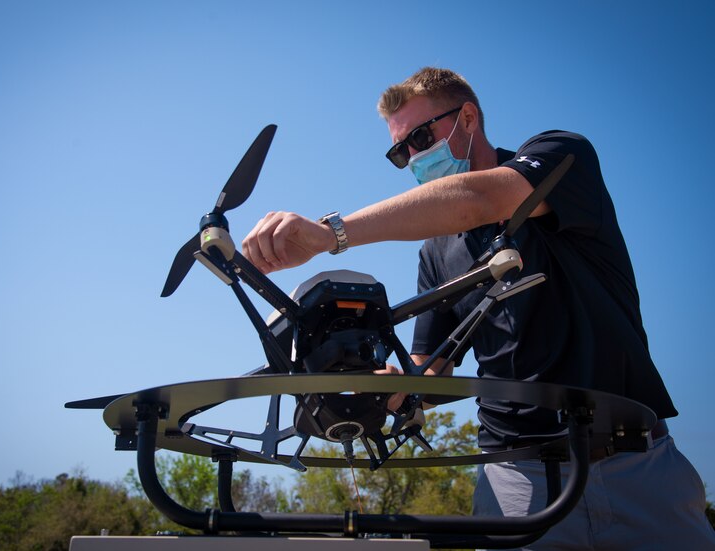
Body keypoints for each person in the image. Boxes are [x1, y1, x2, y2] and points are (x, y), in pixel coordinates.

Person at [241, 67, 715, 549]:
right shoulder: (434, 252)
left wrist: (331, 235)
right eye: (400, 151)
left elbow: (481, 199)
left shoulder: (561, 158)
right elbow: (431, 368)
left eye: (422, 136)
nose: (414, 157)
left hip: (638, 462)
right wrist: (381, 389)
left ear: (468, 117)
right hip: (517, 480)